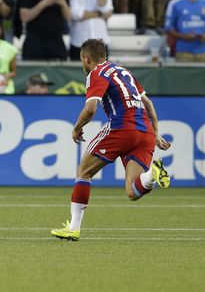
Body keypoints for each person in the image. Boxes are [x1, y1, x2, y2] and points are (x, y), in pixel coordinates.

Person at [50, 38, 171, 242]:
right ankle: (152, 174)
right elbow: (148, 103)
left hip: (122, 127)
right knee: (133, 190)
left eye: (81, 61)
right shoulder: (124, 72)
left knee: (84, 172)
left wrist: (77, 128)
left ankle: (73, 228)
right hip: (146, 132)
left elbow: (90, 109)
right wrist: (157, 133)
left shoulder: (96, 73)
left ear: (87, 59)